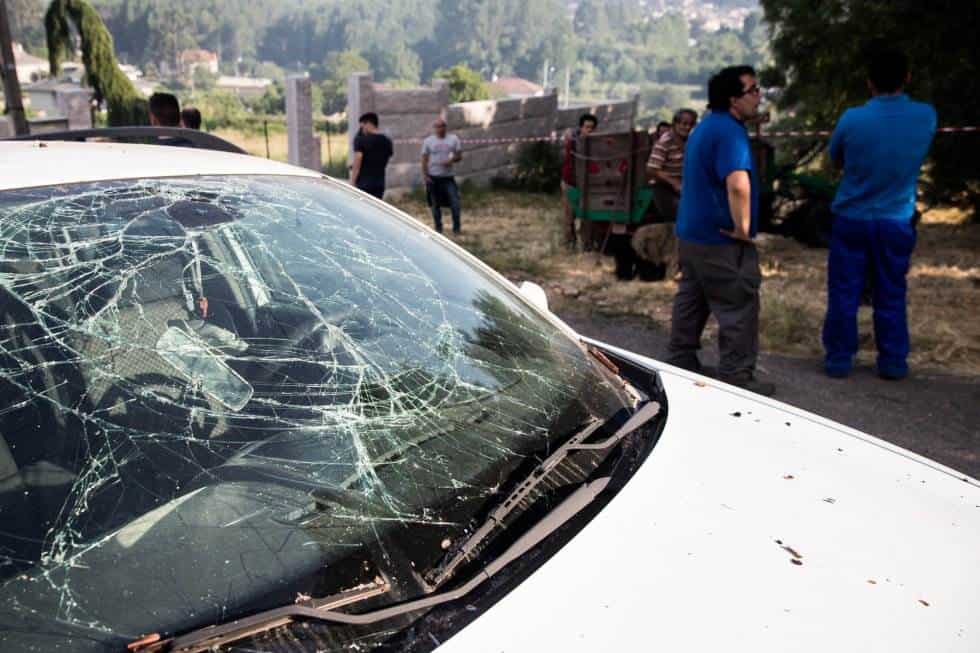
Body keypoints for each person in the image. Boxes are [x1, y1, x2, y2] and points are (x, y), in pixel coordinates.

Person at [822, 47, 936, 380]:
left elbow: (836, 159)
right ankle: (893, 361)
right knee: (891, 291)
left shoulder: (852, 118)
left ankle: (839, 360)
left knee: (844, 291)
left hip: (852, 218)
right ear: (908, 77)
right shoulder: (926, 116)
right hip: (896, 218)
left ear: (869, 82)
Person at [663, 65, 774, 396]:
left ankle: (680, 360)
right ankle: (738, 375)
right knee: (738, 303)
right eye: (752, 91)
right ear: (732, 99)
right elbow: (738, 184)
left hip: (692, 234)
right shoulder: (729, 132)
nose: (759, 96)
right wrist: (742, 229)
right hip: (721, 238)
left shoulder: (706, 126)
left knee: (692, 297)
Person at [648, 108, 697, 221]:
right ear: (675, 124)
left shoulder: (692, 140)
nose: (687, 127)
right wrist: (674, 182)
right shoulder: (665, 142)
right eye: (684, 124)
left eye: (690, 124)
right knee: (680, 217)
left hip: (685, 186)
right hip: (664, 188)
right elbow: (652, 169)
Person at [560, 113, 598, 249]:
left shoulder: (596, 145)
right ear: (581, 127)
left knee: (587, 217)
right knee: (569, 216)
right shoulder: (573, 142)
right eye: (587, 127)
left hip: (588, 185)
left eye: (592, 128)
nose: (589, 130)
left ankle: (587, 245)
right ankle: (569, 245)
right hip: (571, 183)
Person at [421, 118, 463, 233]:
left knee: (455, 202)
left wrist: (452, 160)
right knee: (435, 205)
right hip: (433, 177)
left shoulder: (453, 139)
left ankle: (456, 228)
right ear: (435, 128)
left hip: (448, 177)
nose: (440, 129)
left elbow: (459, 156)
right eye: (437, 127)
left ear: (445, 127)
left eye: (442, 126)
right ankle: (438, 228)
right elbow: (424, 159)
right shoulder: (428, 141)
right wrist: (425, 175)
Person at [350, 112, 394, 199]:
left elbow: (358, 159)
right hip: (379, 183)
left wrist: (352, 181)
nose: (361, 129)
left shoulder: (361, 140)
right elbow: (386, 158)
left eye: (362, 126)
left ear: (368, 123)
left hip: (363, 183)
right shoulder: (387, 140)